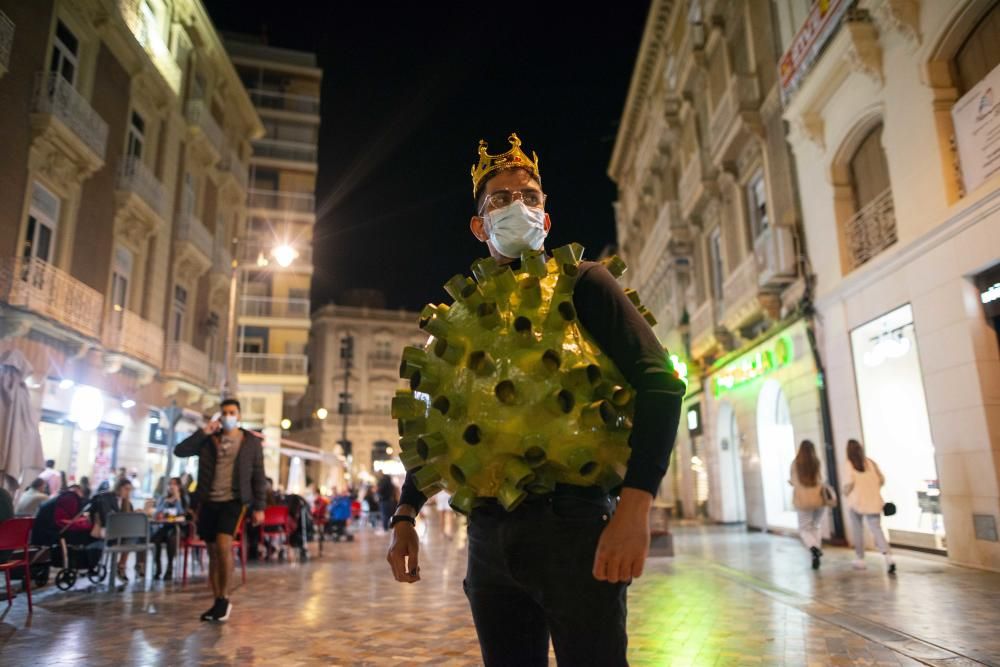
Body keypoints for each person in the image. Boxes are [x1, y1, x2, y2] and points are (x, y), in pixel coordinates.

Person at [386, 134, 685, 666]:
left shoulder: (585, 284)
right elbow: (439, 425)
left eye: (529, 196)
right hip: (488, 535)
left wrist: (635, 508)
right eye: (499, 199)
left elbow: (661, 383)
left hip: (575, 527)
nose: (516, 206)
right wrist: (406, 512)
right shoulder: (458, 317)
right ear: (479, 226)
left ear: (546, 219)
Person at [174, 398, 266, 622]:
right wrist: (203, 432)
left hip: (234, 500)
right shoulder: (209, 439)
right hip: (208, 500)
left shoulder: (250, 442)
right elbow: (180, 451)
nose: (228, 416)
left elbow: (259, 475)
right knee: (213, 552)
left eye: (232, 412)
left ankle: (224, 599)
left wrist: (259, 507)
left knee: (224, 545)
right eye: (224, 413)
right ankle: (217, 601)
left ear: (239, 415)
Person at [843, 439, 895, 574]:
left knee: (858, 530)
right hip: (873, 502)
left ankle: (860, 559)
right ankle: (889, 558)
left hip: (856, 503)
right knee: (877, 530)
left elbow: (848, 484)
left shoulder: (849, 464)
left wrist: (846, 493)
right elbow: (882, 479)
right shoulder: (870, 463)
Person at [93, 478, 141, 581]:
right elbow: (107, 518)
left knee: (137, 534)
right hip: (107, 530)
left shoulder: (127, 503)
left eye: (130, 490)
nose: (128, 492)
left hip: (120, 533)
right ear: (119, 488)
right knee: (132, 536)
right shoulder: (107, 498)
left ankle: (123, 565)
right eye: (126, 489)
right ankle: (121, 566)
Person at [789, 440, 827, 570]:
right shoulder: (817, 462)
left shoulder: (795, 463)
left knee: (804, 529)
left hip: (803, 500)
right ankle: (815, 554)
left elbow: (793, 481)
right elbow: (822, 479)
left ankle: (814, 548)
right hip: (819, 500)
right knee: (815, 526)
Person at [151, 477, 186, 580]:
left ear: (179, 486)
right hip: (164, 526)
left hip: (178, 528)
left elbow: (182, 513)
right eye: (170, 484)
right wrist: (166, 502)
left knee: (172, 539)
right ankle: (158, 568)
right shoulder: (163, 498)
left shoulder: (184, 498)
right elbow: (158, 513)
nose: (171, 486)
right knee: (155, 539)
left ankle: (169, 568)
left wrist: (177, 499)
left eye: (174, 484)